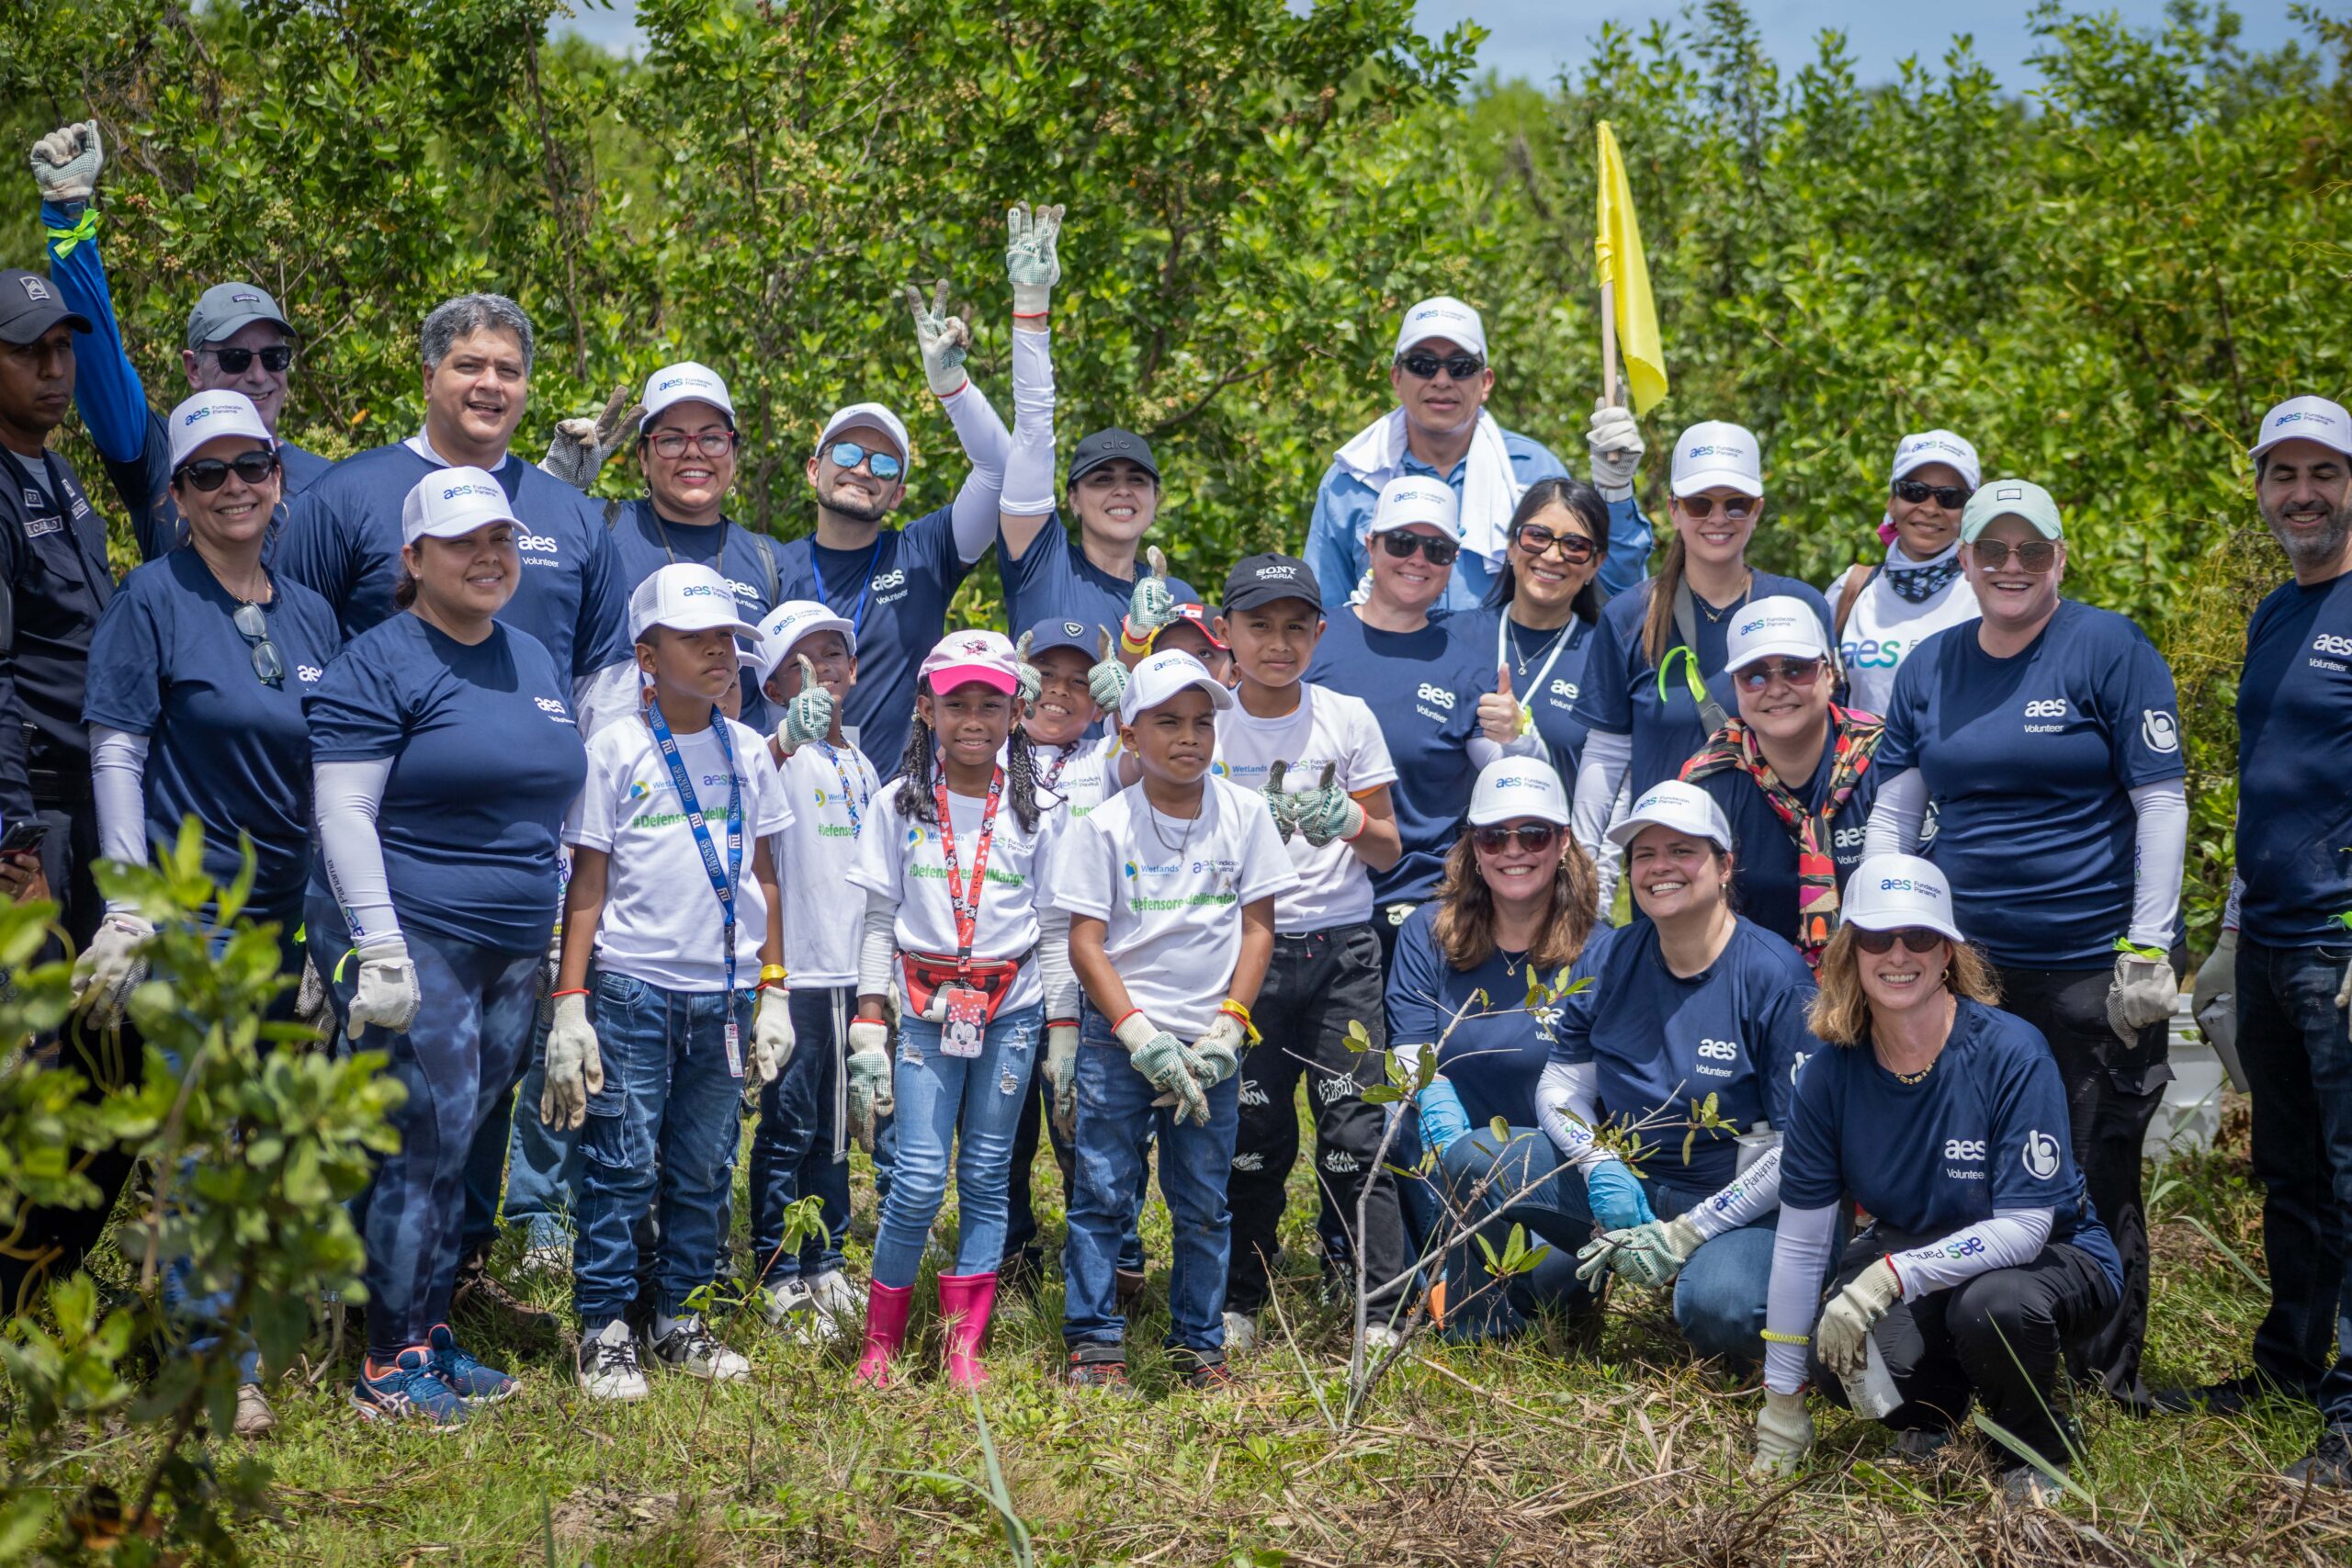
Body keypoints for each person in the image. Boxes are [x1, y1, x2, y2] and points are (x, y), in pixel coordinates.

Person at [277, 291, 633, 1316]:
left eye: (509, 369)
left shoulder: (558, 541)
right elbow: (313, 698)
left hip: (518, 905)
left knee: (473, 1115)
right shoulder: (350, 501)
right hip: (401, 895)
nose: (490, 385)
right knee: (413, 1120)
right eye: (469, 365)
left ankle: (441, 1301)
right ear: (429, 372)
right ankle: (376, 1329)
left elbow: (596, 701)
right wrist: (349, 922)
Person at [1863, 477, 2186, 1411]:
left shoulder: (2108, 648)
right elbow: (1895, 806)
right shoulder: (1930, 666)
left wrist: (2148, 946)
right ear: (1962, 559)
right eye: (1990, 550)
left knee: (2094, 1171)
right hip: (1968, 975)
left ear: (2058, 559)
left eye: (2029, 550)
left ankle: (2106, 1379)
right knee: (1975, 1170)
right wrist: (1882, 924)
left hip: (2093, 971)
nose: (2010, 567)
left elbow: (2159, 800)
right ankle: (1981, 1360)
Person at [75, 389, 341, 1438]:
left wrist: (343, 916)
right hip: (194, 915)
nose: (236, 489)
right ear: (178, 494)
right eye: (209, 474)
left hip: (293, 912)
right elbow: (117, 748)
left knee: (277, 1130)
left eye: (253, 467)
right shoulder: (151, 597)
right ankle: (211, 1362)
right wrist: (132, 905)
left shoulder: (311, 610)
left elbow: (337, 769)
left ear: (280, 476)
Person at [306, 467, 588, 1427]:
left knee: (459, 1145)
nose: (489, 557)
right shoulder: (379, 660)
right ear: (414, 559)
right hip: (420, 937)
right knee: (419, 1146)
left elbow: (551, 811)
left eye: (502, 540)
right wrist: (377, 945)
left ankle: (427, 1331)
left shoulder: (532, 658)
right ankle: (385, 1365)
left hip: (513, 947)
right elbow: (343, 810)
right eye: (464, 543)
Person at [1752, 855, 2123, 1506]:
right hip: (1921, 1248)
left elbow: (2027, 1225)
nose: (1898, 954)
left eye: (1919, 936)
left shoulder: (2012, 1050)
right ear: (1850, 951)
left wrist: (1891, 1276)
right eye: (1876, 937)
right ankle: (1936, 1412)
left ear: (1947, 951)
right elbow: (1803, 1241)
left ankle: (2035, 1446)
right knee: (1837, 1356)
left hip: (2049, 1254)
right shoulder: (1829, 1073)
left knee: (1992, 1307)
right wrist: (1782, 1403)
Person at [2163, 395, 2352, 1486]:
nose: (2301, 494)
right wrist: (2229, 929)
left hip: (2339, 942)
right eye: (2282, 475)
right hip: (2273, 937)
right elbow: (2265, 786)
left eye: (2321, 473)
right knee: (2290, 1173)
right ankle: (2288, 1365)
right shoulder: (2276, 614)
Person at [549, 564, 794, 1400]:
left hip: (724, 997)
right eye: (699, 640)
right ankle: (606, 1325)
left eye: (728, 639)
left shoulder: (752, 749)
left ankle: (680, 1317)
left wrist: (776, 987)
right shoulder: (614, 748)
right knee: (621, 1160)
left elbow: (765, 877)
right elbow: (589, 884)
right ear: (647, 657)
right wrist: (570, 1001)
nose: (721, 654)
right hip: (631, 991)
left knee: (703, 1163)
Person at [1054, 649, 1296, 1392]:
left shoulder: (1247, 813)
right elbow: (1085, 943)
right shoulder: (1102, 825)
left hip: (1207, 1046)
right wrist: (1135, 1033)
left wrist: (1229, 1030)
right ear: (1128, 734)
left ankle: (1199, 1342)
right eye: (1167, 722)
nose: (1188, 737)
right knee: (1102, 1193)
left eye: (1201, 722)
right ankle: (1095, 1343)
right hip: (1119, 1040)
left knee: (1202, 1203)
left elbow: (1259, 927)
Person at [1532, 782, 1818, 1363]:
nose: (1661, 867)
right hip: (1631, 1182)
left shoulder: (1776, 978)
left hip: (1741, 1202)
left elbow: (1801, 1151)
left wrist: (1688, 1231)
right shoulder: (1610, 956)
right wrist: (1599, 1164)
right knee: (1479, 1158)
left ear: (1723, 866)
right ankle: (1543, 1303)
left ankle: (1726, 1297)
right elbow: (1561, 1083)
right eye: (1644, 854)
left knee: (1719, 1307)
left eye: (1683, 851)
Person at [846, 631, 1063, 1387]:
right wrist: (869, 1021)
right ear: (925, 708)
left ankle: (962, 1342)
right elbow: (877, 919)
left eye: (991, 703)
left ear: (1016, 711)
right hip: (924, 1008)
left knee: (987, 1172)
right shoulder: (896, 803)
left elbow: (1058, 928)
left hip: (1012, 1011)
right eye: (956, 703)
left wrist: (1061, 1032)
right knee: (914, 1175)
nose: (973, 718)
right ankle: (882, 1342)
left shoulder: (1039, 809)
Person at [1206, 553, 1411, 1348]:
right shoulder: (1209, 718)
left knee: (1357, 1130)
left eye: (1296, 626)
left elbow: (1391, 847)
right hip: (1243, 950)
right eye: (1259, 626)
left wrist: (1349, 822)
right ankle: (1239, 1300)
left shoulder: (1347, 717)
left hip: (1342, 951)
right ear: (1226, 633)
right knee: (1251, 1138)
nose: (1278, 643)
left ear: (1321, 632)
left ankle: (1380, 1307)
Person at [31, 120, 330, 560]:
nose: (258, 375)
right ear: (193, 368)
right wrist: (68, 214)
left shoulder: (329, 483)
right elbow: (101, 363)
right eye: (233, 358)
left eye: (274, 357)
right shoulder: (160, 458)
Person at [1570, 422, 1835, 908]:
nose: (1719, 517)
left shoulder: (1801, 606)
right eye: (1699, 503)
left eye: (1735, 503)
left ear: (1757, 510)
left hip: (1785, 871)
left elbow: (1837, 742)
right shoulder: (1630, 616)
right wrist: (1586, 875)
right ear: (1673, 509)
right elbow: (1605, 757)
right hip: (1671, 876)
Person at [1386, 759, 1605, 1339]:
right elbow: (1411, 1051)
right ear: (1473, 848)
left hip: (1547, 1172)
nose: (1515, 851)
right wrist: (1437, 1107)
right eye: (1494, 836)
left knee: (1554, 1287)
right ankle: (1462, 1312)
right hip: (1441, 1165)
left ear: (1562, 843)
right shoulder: (1426, 934)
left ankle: (1463, 1288)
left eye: (1533, 834)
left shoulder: (1602, 950)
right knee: (1379, 1119)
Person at [0, 266, 115, 1323]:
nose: (51, 367)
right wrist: (15, 850)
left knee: (103, 1058)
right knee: (31, 1069)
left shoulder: (57, 473)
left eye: (62, 348)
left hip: (89, 814)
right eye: (28, 349)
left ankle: (39, 1291)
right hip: (29, 813)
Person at [1303, 477, 1545, 962]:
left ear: (1453, 562)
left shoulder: (1467, 664)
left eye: (1436, 549)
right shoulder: (1314, 639)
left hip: (1419, 910)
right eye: (1401, 542)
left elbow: (1512, 778)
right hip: (1310, 902)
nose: (1418, 559)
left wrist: (1519, 736)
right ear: (1370, 546)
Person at [1304, 294, 1652, 614]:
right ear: (1396, 378)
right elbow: (1324, 613)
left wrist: (1615, 494)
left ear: (1485, 382)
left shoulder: (1534, 474)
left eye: (1460, 367)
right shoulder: (1350, 479)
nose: (1441, 380)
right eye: (1423, 365)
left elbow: (1616, 593)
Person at [744, 599, 877, 1340]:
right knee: (788, 1125)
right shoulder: (777, 754)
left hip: (852, 975)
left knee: (836, 1129)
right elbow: (751, 774)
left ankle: (827, 1258)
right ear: (773, 685)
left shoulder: (857, 758)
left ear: (854, 669)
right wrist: (784, 742)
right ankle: (776, 1267)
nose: (822, 670)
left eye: (833, 654)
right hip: (797, 975)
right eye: (802, 660)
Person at [999, 616, 1144, 1298]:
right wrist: (998, 693)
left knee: (1084, 1121)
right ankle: (1010, 1252)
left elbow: (1143, 759)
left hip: (1079, 972)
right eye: (1043, 675)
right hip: (995, 968)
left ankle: (1117, 1253)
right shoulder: (985, 750)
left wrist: (1129, 700)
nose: (1059, 692)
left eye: (1080, 681)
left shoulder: (1102, 757)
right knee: (1003, 1129)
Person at [993, 200, 1199, 648]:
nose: (1122, 491)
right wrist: (1031, 308)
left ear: (1156, 499)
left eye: (1137, 481)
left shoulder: (1175, 598)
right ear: (1073, 500)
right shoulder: (1041, 564)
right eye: (1102, 480)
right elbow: (1033, 432)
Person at [541, 361, 788, 729]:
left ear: (734, 454)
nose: (694, 452)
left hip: (736, 777)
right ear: (643, 457)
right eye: (672, 439)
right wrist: (554, 484)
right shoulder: (596, 527)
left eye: (711, 438)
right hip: (619, 777)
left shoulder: (770, 561)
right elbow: (509, 556)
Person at [1680, 597, 1888, 963]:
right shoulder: (1707, 783)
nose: (1775, 689)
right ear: (1735, 687)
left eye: (1795, 669)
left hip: (1885, 981)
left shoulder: (1886, 758)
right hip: (1754, 988)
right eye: (1754, 676)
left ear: (1829, 673)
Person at [1448, 478, 1613, 779]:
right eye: (1538, 536)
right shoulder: (1451, 635)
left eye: (1575, 546)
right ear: (1511, 546)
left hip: (1559, 825)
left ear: (1596, 563)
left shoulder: (1606, 658)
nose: (1551, 556)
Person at [1825, 431, 1982, 716]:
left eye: (1949, 498)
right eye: (1914, 491)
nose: (1930, 508)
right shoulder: (1851, 589)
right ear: (1891, 502)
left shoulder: (1988, 593)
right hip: (1864, 763)